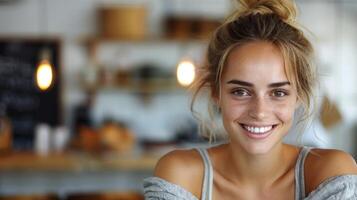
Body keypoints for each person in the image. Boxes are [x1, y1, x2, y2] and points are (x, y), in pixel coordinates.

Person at [143, 0, 357, 199]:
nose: (260, 111)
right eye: (241, 92)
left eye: (278, 93)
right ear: (216, 93)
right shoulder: (181, 173)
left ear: (299, 96)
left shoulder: (330, 171)